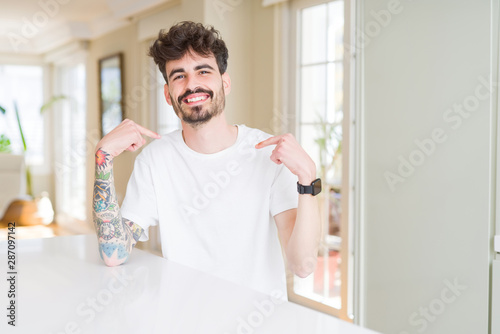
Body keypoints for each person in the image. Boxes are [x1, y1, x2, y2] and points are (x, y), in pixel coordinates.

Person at [93, 21, 321, 296]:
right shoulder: (154, 160)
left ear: (224, 82)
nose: (192, 85)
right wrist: (103, 159)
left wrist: (307, 178)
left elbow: (303, 266)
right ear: (168, 95)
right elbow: (114, 254)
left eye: (203, 71)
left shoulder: (268, 154)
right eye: (179, 76)